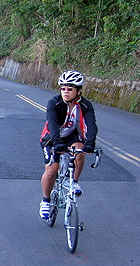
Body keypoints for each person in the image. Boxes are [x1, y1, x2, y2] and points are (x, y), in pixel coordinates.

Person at [39, 70, 98, 219]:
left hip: (71, 136)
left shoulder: (85, 105)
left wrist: (90, 143)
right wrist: (57, 142)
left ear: (78, 91)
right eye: (63, 88)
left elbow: (91, 125)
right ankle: (45, 201)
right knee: (52, 170)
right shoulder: (54, 103)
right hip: (52, 138)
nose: (65, 91)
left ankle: (75, 182)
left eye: (69, 89)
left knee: (80, 151)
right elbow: (51, 123)